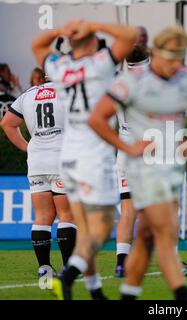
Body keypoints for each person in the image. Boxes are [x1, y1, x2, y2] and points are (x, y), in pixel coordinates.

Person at [88, 25, 187, 300]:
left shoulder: (186, 80)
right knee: (163, 230)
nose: (175, 62)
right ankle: (183, 295)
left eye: (178, 55)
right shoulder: (128, 82)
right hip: (140, 167)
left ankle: (128, 293)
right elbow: (96, 119)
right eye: (170, 55)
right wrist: (126, 146)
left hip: (169, 165)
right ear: (156, 53)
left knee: (146, 236)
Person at [32, 19, 144, 300]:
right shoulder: (100, 64)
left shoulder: (59, 68)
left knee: (84, 229)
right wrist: (92, 23)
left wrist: (62, 31)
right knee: (104, 226)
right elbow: (130, 35)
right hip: (93, 155)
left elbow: (36, 44)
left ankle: (95, 292)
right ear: (93, 42)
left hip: (66, 155)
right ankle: (68, 276)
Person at [1, 82, 76, 276]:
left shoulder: (28, 94)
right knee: (66, 215)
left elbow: (7, 123)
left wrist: (29, 148)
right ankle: (68, 268)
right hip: (62, 158)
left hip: (36, 162)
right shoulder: (69, 90)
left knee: (42, 216)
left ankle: (44, 267)